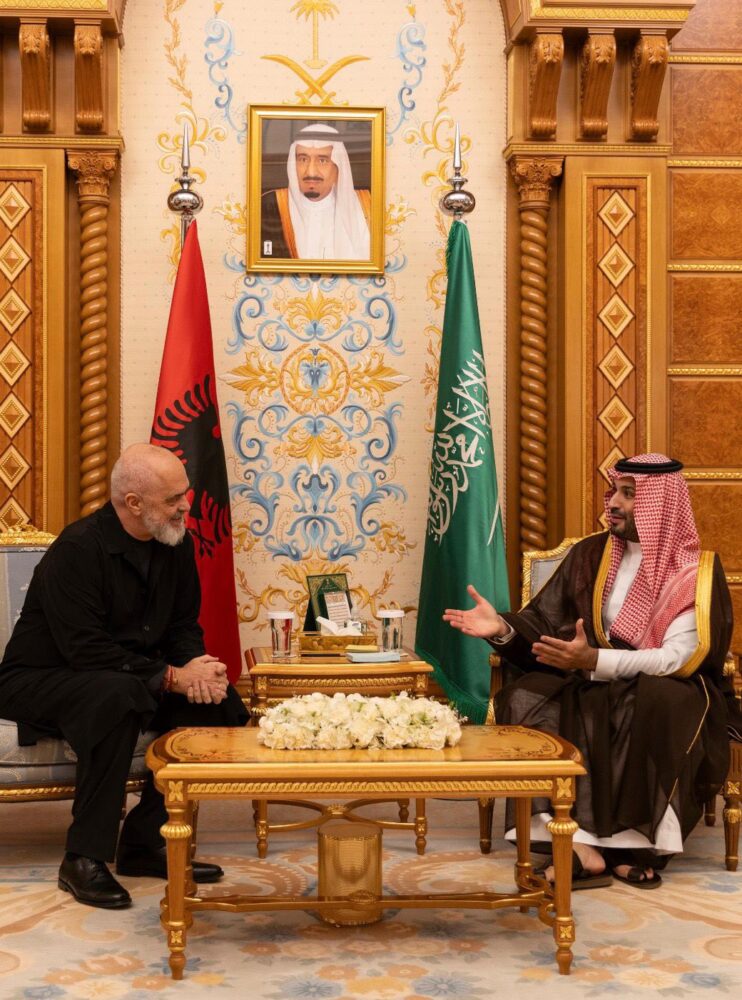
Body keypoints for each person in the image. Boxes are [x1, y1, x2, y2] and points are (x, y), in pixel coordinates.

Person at [444, 454, 738, 890]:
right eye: (614, 491)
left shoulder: (694, 573)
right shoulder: (590, 555)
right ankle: (577, 846)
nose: (612, 503)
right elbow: (544, 623)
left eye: (628, 494)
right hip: (587, 675)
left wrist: (595, 661)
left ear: (660, 504)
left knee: (650, 703)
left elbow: (677, 658)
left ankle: (630, 847)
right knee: (525, 697)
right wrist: (503, 628)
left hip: (662, 683)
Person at [0, 443, 248, 909]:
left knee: (220, 703)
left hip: (128, 677)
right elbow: (85, 650)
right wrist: (171, 677)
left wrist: (199, 671)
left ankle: (143, 841)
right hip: (41, 679)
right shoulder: (77, 549)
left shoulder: (176, 542)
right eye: (173, 498)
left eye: (185, 493)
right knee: (118, 696)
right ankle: (83, 858)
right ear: (134, 503)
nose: (186, 506)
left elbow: (182, 626)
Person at [261, 122, 370, 260]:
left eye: (322, 160)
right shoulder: (269, 206)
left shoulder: (366, 207)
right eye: (303, 159)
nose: (311, 171)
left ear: (338, 166)